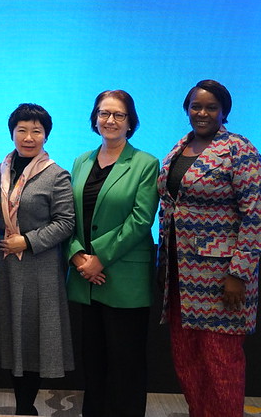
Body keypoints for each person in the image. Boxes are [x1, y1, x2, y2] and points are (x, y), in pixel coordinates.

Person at [157, 80, 261, 417]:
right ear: (186, 109)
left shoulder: (239, 150)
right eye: (196, 106)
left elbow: (255, 215)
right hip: (180, 277)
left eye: (211, 107)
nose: (202, 113)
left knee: (221, 365)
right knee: (188, 361)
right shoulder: (180, 147)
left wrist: (239, 274)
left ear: (224, 112)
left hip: (221, 279)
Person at [65, 90, 159, 417]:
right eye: (104, 113)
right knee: (94, 361)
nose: (110, 120)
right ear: (95, 119)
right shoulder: (81, 161)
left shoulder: (146, 163)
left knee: (126, 363)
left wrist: (100, 258)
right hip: (86, 278)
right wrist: (77, 256)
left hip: (124, 278)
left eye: (119, 115)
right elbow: (68, 216)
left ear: (130, 121)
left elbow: (141, 219)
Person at [0, 103, 75, 415]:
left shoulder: (56, 175)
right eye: (21, 130)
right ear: (12, 133)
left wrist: (27, 240)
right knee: (11, 334)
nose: (28, 137)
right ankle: (22, 404)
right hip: (4, 264)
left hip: (40, 265)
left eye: (36, 131)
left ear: (46, 135)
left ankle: (25, 407)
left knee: (35, 336)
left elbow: (66, 223)